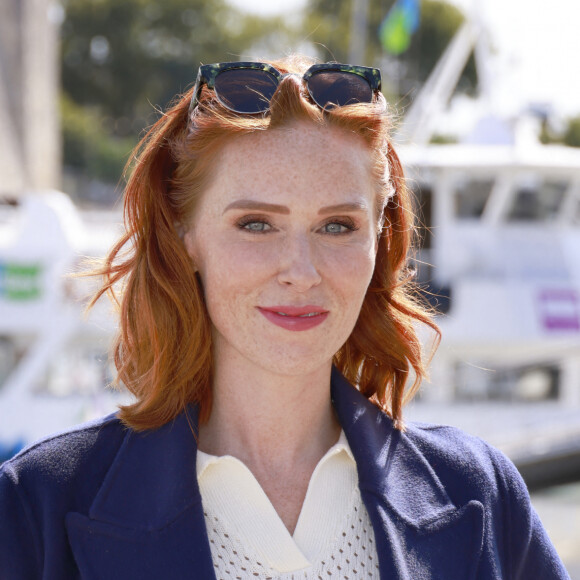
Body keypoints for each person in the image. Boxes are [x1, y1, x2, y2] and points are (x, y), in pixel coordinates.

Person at [0, 56, 570, 579]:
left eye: (337, 226)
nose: (301, 270)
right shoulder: (38, 506)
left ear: (379, 237)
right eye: (256, 224)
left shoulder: (480, 495)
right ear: (185, 234)